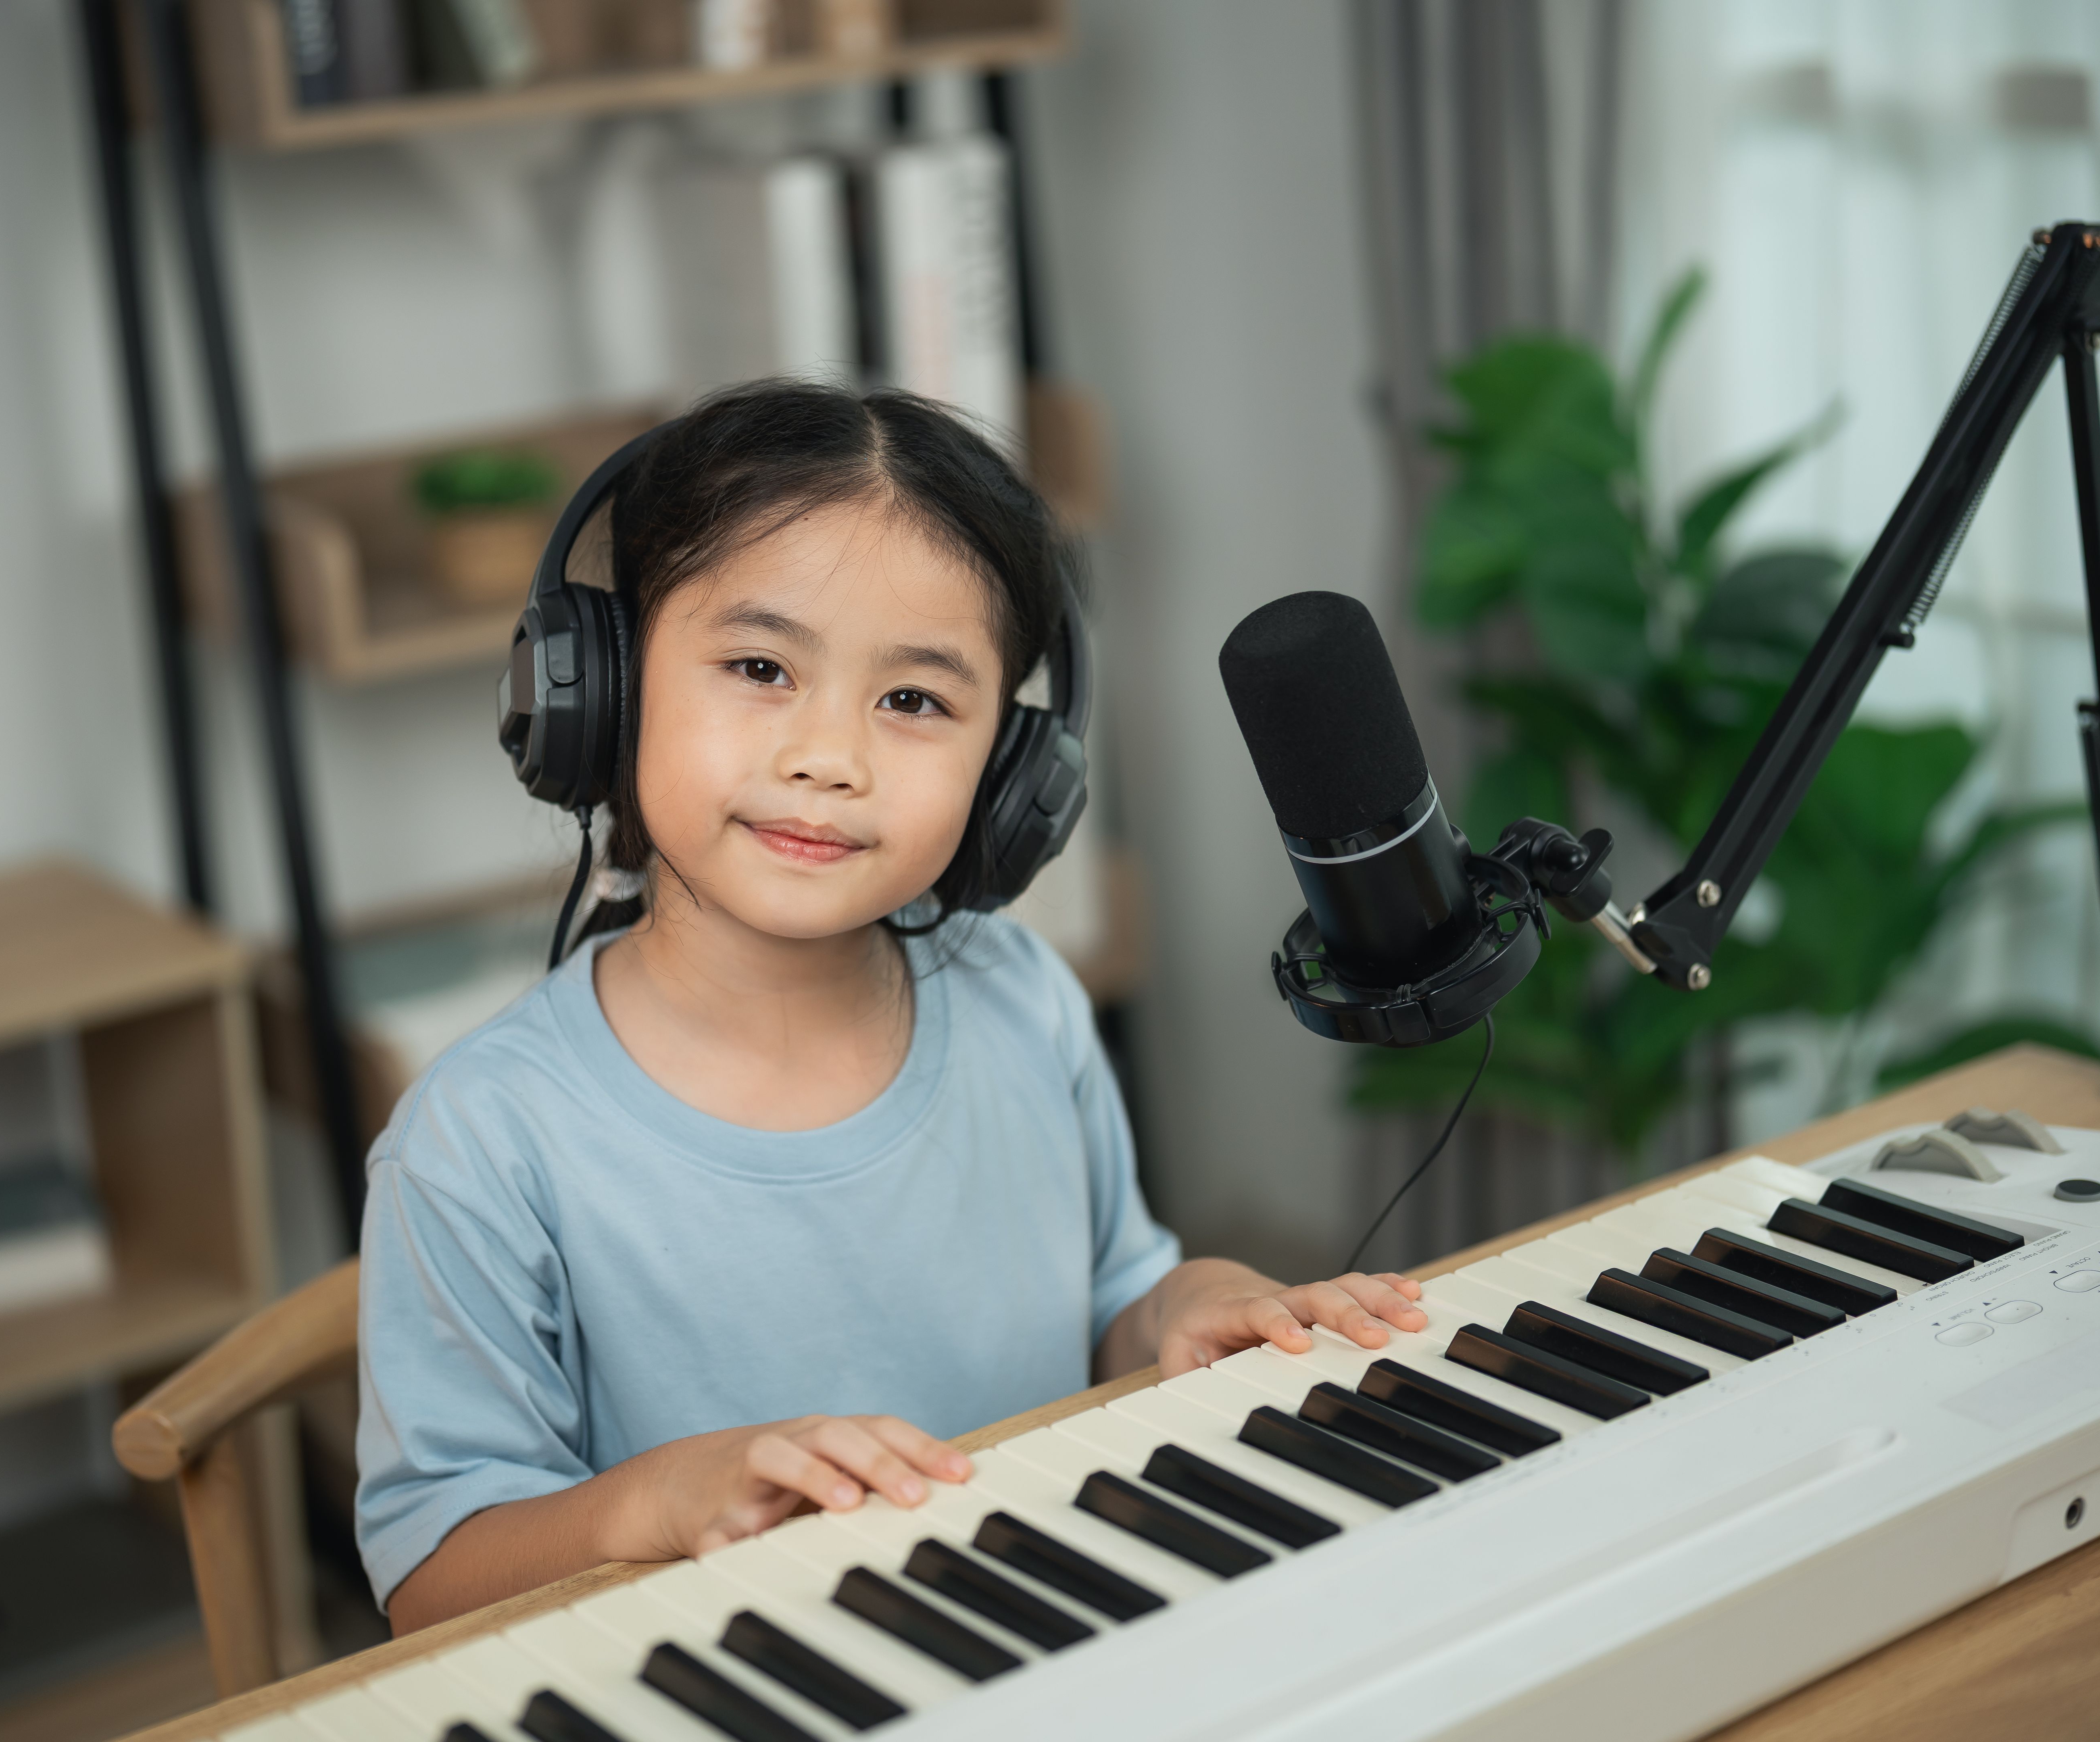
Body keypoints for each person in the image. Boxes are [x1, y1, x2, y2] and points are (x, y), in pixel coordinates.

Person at [355, 381, 1428, 1632]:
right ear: (604, 689)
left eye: (913, 700)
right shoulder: (480, 1140)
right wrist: (647, 1504)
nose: (832, 758)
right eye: (760, 666)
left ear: (1015, 777)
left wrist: (1183, 1307)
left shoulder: (1023, 1001)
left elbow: (1108, 1313)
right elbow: (433, 1581)